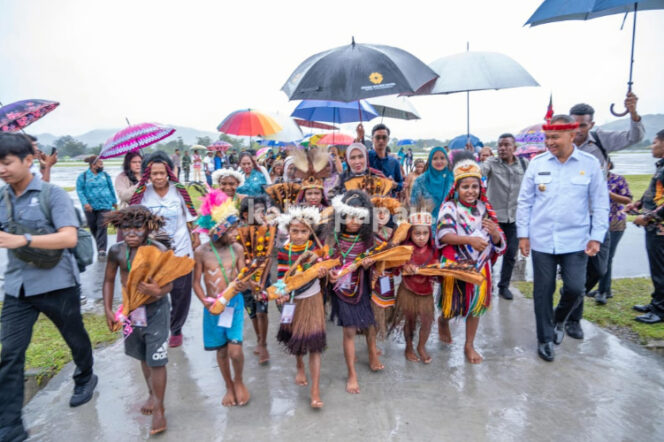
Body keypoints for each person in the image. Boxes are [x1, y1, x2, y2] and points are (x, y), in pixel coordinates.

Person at [0, 133, 96, 442]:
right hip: (18, 289)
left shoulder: (52, 194)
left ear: (29, 161)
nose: (2, 169)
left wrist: (23, 239)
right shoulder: (2, 199)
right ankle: (10, 426)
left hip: (57, 283)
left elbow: (69, 237)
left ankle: (85, 376)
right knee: (11, 354)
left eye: (7, 162)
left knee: (74, 337)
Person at [517, 115, 609, 362]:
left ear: (572, 135)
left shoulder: (589, 164)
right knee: (542, 290)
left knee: (576, 288)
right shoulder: (537, 164)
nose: (549, 142)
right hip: (542, 240)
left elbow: (601, 204)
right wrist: (523, 235)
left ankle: (559, 318)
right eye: (547, 137)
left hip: (576, 240)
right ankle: (545, 338)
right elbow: (525, 202)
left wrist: (596, 237)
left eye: (554, 137)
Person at [569, 95, 645, 321]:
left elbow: (635, 136)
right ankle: (573, 317)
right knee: (576, 268)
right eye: (574, 124)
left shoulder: (601, 139)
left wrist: (633, 112)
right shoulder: (563, 143)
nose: (578, 129)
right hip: (573, 216)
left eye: (583, 124)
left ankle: (572, 296)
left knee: (599, 269)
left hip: (598, 216)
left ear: (591, 124)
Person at [102, 206, 171, 435]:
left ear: (148, 228)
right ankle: (151, 392)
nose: (131, 233)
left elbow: (170, 284)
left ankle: (160, 408)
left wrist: (157, 290)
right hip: (131, 311)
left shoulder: (159, 250)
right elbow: (109, 280)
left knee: (157, 359)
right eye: (126, 228)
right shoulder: (116, 251)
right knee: (143, 354)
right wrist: (108, 309)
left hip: (156, 310)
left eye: (137, 228)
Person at [436, 159, 506, 364]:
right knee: (453, 305)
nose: (470, 191)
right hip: (456, 264)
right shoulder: (450, 207)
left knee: (475, 306)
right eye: (465, 186)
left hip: (480, 266)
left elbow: (498, 241)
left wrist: (494, 234)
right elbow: (443, 236)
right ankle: (443, 321)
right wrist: (469, 240)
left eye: (474, 186)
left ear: (480, 187)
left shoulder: (485, 208)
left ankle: (469, 344)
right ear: (456, 188)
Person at [130, 151, 200, 347]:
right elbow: (135, 218)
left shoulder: (179, 191)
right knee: (155, 289)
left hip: (180, 248)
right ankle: (153, 326)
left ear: (169, 172)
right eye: (154, 174)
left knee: (181, 291)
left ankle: (176, 328)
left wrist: (196, 237)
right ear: (148, 175)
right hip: (154, 251)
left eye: (162, 173)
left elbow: (191, 217)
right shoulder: (143, 193)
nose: (159, 177)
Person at [192, 189, 251, 406]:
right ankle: (228, 385)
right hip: (213, 307)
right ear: (217, 231)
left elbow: (243, 274)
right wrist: (204, 303)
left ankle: (239, 380)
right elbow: (196, 282)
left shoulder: (237, 249)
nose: (236, 234)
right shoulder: (201, 252)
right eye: (232, 230)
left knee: (235, 351)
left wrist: (246, 284)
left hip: (233, 304)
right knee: (222, 350)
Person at [328, 191, 383, 394]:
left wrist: (370, 264)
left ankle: (371, 351)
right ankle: (352, 373)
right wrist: (331, 273)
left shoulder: (368, 239)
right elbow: (327, 261)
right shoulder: (334, 237)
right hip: (341, 290)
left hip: (363, 286)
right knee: (349, 330)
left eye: (360, 217)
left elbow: (379, 260)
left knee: (369, 323)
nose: (354, 222)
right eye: (350, 216)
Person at [274, 206, 328, 408]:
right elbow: (280, 279)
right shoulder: (283, 252)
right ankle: (299, 365)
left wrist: (323, 273)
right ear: (288, 231)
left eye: (303, 231)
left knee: (315, 345)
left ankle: (315, 391)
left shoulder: (316, 250)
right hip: (291, 303)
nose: (298, 235)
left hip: (312, 299)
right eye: (294, 231)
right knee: (295, 338)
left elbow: (325, 273)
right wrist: (281, 293)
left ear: (310, 232)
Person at [481, 134, 528, 300]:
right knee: (489, 254)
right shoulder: (491, 163)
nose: (502, 148)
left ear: (514, 148)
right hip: (493, 219)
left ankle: (504, 286)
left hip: (515, 218)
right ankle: (487, 284)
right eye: (500, 145)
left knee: (510, 254)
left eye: (506, 145)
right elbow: (479, 171)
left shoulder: (524, 164)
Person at [395, 205, 439, 364]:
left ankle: (421, 346)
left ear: (430, 233)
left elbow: (438, 270)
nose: (421, 237)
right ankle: (408, 346)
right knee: (410, 320)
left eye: (425, 233)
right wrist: (404, 266)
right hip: (408, 290)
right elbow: (397, 263)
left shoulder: (434, 251)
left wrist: (435, 272)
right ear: (410, 234)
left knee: (427, 320)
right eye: (417, 233)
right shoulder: (405, 250)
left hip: (426, 292)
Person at [628, 130, 664, 324]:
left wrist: (647, 217)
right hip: (655, 227)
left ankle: (660, 310)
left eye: (655, 142)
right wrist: (638, 204)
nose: (652, 145)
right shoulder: (661, 166)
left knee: (661, 270)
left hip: (660, 228)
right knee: (657, 268)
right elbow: (654, 192)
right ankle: (656, 302)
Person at [587, 159, 632, 305]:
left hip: (614, 223)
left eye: (602, 165)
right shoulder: (590, 179)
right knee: (595, 257)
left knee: (607, 257)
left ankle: (603, 291)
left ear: (609, 166)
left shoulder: (618, 179)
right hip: (595, 223)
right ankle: (601, 287)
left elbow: (628, 200)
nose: (599, 168)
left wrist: (610, 194)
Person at [238, 196, 271, 364]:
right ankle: (259, 339)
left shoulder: (268, 230)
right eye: (257, 212)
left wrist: (262, 280)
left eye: (263, 211)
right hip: (245, 280)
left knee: (262, 312)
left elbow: (270, 256)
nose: (262, 215)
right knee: (251, 312)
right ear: (245, 215)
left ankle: (263, 343)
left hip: (263, 278)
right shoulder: (238, 233)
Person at [370, 196, 401, 341]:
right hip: (370, 276)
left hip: (386, 276)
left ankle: (377, 335)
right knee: (371, 308)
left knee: (383, 308)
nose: (381, 216)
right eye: (378, 212)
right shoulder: (367, 233)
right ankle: (371, 340)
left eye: (385, 212)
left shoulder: (393, 233)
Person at [76, 155, 117, 259]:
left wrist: (114, 201)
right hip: (90, 206)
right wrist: (85, 203)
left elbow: (111, 187)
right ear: (93, 165)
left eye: (102, 163)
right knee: (93, 226)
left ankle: (102, 250)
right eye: (100, 163)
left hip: (105, 204)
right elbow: (80, 191)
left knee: (102, 226)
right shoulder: (83, 176)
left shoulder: (105, 175)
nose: (102, 165)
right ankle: (100, 243)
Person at [410, 147, 454, 221]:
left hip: (450, 224)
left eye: (442, 158)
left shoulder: (453, 179)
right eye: (435, 158)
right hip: (428, 225)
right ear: (430, 161)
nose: (439, 161)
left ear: (447, 160)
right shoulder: (421, 181)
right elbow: (414, 205)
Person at [368, 124, 403, 195]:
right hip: (369, 201)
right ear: (372, 139)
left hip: (388, 202)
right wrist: (359, 138)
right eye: (378, 137)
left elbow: (401, 183)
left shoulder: (394, 162)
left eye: (384, 137)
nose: (381, 141)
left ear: (388, 139)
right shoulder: (367, 157)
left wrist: (395, 185)